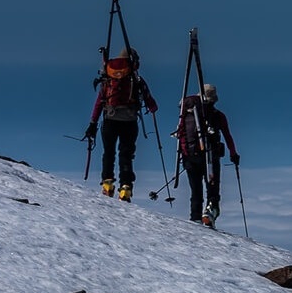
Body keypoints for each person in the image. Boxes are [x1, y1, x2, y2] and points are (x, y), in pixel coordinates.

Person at [86, 49, 159, 201]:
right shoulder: (136, 79)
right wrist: (151, 107)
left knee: (108, 152)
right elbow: (151, 103)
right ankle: (125, 187)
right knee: (126, 154)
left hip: (110, 119)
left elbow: (99, 102)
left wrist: (92, 123)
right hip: (129, 120)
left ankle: (107, 184)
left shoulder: (108, 77)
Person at [175, 83, 240, 227]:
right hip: (210, 157)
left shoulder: (188, 112)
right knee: (212, 190)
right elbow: (227, 136)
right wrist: (233, 154)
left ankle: (195, 217)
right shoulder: (218, 116)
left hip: (189, 155)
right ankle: (210, 214)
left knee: (195, 190)